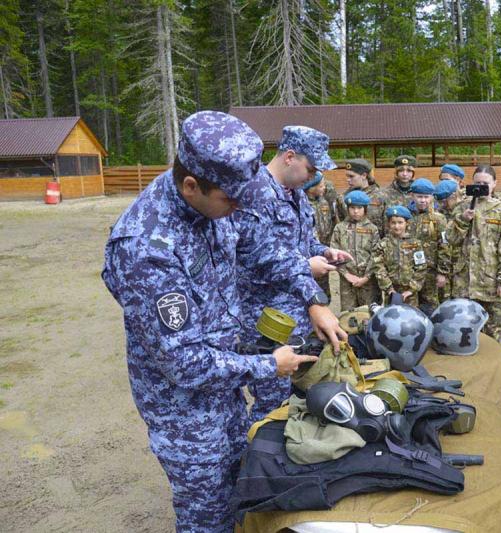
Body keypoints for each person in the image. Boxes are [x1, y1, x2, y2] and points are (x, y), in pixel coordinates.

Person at [101, 111, 319, 532]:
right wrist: (270, 366)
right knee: (207, 515)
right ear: (190, 185)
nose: (239, 206)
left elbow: (263, 250)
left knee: (238, 489)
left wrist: (312, 300)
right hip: (185, 413)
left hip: (226, 386)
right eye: (231, 199)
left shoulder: (220, 196)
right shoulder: (147, 248)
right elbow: (186, 364)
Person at [232, 125, 351, 421]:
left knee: (291, 391)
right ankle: (262, 454)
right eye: (311, 168)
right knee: (271, 398)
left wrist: (324, 251)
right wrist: (307, 269)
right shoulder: (256, 192)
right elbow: (262, 254)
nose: (313, 176)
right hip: (265, 315)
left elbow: (302, 240)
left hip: (294, 310)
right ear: (289, 157)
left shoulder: (295, 193)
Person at [440, 165, 501, 340]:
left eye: (486, 183)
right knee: (464, 331)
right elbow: (450, 239)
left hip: (491, 282)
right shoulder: (462, 207)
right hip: (465, 282)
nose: (481, 186)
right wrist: (463, 220)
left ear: (494, 184)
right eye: (477, 183)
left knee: (492, 333)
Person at [329, 190, 380, 312]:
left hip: (368, 282)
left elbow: (377, 255)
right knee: (349, 316)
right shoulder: (340, 228)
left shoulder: (372, 229)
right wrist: (346, 274)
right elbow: (333, 253)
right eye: (352, 208)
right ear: (347, 208)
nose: (356, 211)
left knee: (370, 313)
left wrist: (366, 277)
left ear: (365, 209)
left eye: (359, 208)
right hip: (347, 281)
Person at [371, 205, 427, 306]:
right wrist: (389, 288)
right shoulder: (383, 244)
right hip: (391, 292)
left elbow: (421, 267)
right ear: (388, 224)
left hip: (410, 293)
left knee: (411, 318)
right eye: (393, 223)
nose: (397, 226)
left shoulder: (415, 244)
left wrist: (412, 289)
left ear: (407, 223)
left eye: (400, 222)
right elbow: (378, 267)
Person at [408, 178, 448, 314]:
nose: (423, 200)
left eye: (426, 197)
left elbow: (445, 246)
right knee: (409, 308)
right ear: (412, 195)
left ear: (432, 197)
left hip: (430, 272)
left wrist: (442, 273)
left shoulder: (438, 219)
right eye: (419, 196)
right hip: (409, 271)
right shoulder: (405, 216)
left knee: (430, 307)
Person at [305, 171, 337, 298]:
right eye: (321, 186)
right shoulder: (303, 203)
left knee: (324, 289)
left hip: (323, 250)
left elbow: (333, 219)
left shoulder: (324, 202)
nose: (324, 188)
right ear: (311, 188)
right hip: (309, 253)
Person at [336, 158, 384, 229]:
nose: (348, 180)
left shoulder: (381, 196)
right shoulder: (343, 198)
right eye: (347, 176)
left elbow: (387, 226)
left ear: (364, 175)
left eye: (351, 176)